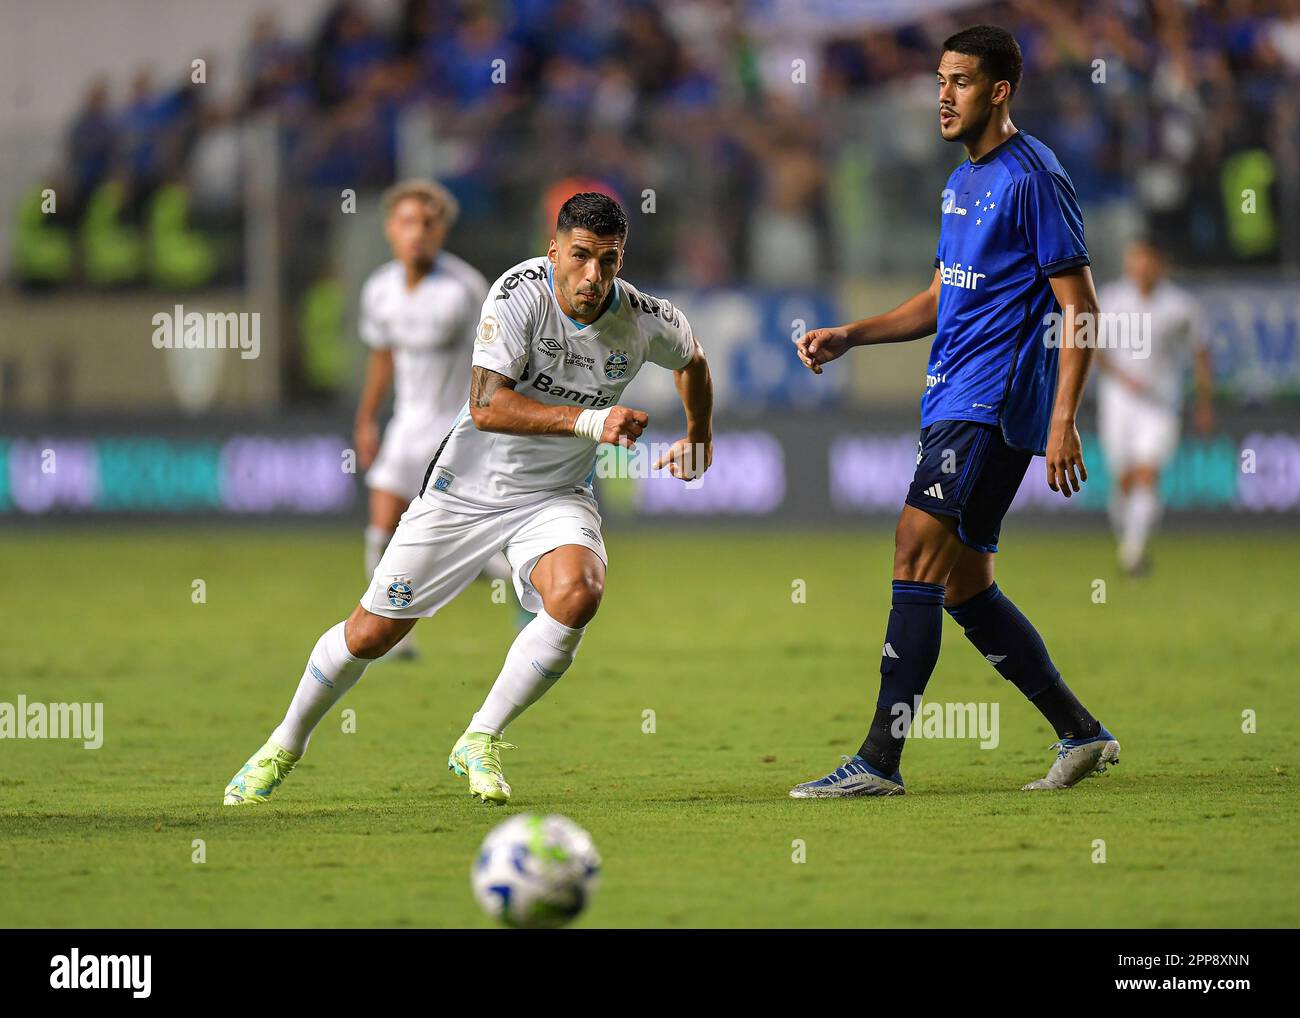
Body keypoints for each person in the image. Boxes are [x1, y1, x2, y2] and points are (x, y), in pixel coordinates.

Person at [224, 192, 713, 806]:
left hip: (555, 494)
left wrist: (699, 437)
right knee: (373, 633)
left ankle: (479, 738)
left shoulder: (643, 318)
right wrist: (592, 423)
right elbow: (486, 407)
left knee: (578, 592)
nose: (593, 276)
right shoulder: (518, 295)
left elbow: (692, 360)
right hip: (465, 491)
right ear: (554, 249)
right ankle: (284, 743)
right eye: (581, 257)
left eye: (609, 261)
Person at [790, 25, 1119, 797]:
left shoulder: (1034, 178)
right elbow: (945, 296)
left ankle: (878, 761)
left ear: (1000, 90)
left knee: (913, 552)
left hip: (992, 403)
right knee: (965, 586)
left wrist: (1064, 419)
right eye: (940, 79)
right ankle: (1081, 732)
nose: (943, 94)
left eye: (961, 81)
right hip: (949, 396)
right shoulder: (961, 180)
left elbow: (1081, 309)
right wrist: (852, 336)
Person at [352, 179, 514, 659]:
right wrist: (366, 420)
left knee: (474, 548)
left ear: (442, 230)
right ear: (390, 229)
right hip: (405, 427)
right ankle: (397, 638)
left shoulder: (465, 289)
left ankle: (536, 602)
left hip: (456, 430)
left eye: (427, 223)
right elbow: (382, 357)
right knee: (381, 533)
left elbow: (498, 360)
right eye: (407, 222)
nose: (417, 232)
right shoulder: (379, 289)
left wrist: (493, 423)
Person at [1096, 238, 1213, 576]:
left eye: (1147, 260)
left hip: (1161, 402)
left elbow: (1201, 353)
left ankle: (1132, 554)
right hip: (1117, 401)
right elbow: (1094, 348)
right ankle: (1130, 539)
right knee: (1123, 480)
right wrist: (1121, 376)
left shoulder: (1181, 306)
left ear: (1160, 263)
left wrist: (1204, 402)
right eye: (1135, 260)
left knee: (1148, 474)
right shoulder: (1112, 299)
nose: (1141, 267)